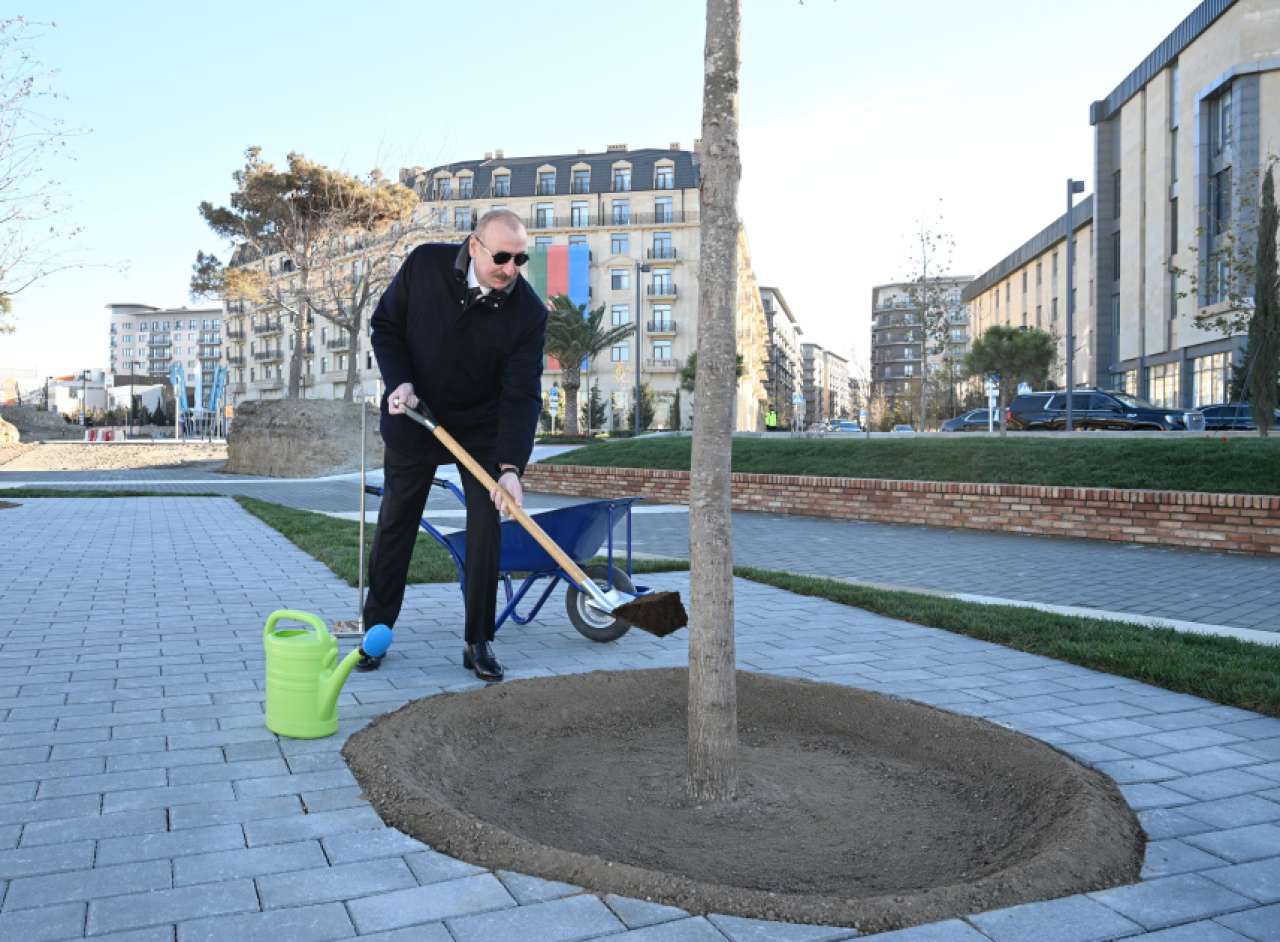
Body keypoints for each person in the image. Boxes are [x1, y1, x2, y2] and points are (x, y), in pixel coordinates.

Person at [356, 208, 547, 682]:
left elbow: (521, 394)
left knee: (486, 527)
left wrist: (510, 468)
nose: (511, 269)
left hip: (480, 430)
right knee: (396, 523)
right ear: (474, 246)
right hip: (415, 413)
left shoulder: (528, 312)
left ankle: (478, 640)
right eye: (502, 257)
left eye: (521, 259)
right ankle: (376, 630)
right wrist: (399, 381)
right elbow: (386, 325)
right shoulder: (425, 265)